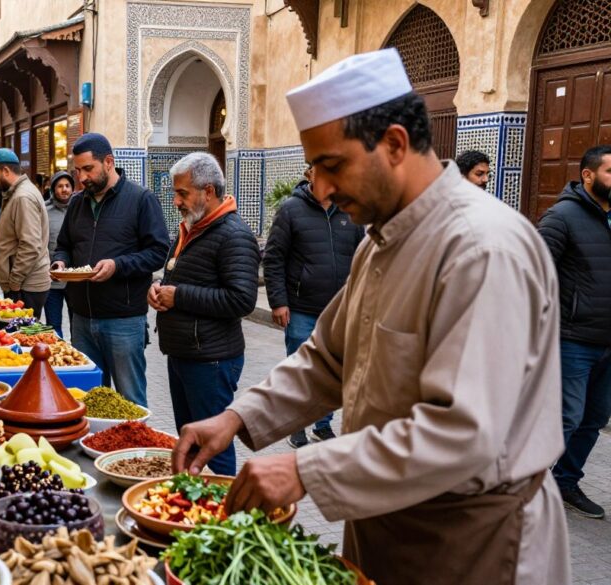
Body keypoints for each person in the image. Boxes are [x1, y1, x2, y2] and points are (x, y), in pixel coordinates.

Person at [172, 48, 569, 585]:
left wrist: (306, 468)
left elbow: (465, 433)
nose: (321, 188)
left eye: (332, 166)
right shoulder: (379, 243)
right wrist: (237, 418)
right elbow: (327, 359)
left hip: (470, 544)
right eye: (314, 169)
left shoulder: (480, 249)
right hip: (381, 520)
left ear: (395, 144)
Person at [148, 152, 259, 476]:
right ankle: (191, 500)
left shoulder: (234, 235)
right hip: (185, 353)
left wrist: (178, 296)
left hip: (211, 360)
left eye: (182, 193)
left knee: (213, 448)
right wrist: (158, 289)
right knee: (189, 440)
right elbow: (179, 275)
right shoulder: (193, 228)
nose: (176, 201)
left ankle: (222, 502)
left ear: (208, 191)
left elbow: (242, 300)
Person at [53, 133, 171, 407]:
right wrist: (60, 262)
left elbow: (158, 252)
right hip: (81, 318)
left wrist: (117, 266)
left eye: (88, 169)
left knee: (130, 401)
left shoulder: (141, 199)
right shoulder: (77, 203)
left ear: (108, 162)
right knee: (89, 400)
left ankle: (137, 438)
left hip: (123, 321)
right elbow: (64, 245)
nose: (81, 178)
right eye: (77, 170)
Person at [263, 165, 364, 448]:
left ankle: (322, 425)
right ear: (310, 174)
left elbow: (363, 257)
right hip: (301, 309)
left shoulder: (350, 210)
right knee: (300, 369)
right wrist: (279, 302)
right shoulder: (290, 210)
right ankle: (295, 426)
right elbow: (274, 258)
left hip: (339, 310)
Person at [537, 144, 611, 520]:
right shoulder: (561, 216)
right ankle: (525, 486)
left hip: (607, 342)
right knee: (566, 417)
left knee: (594, 418)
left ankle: (565, 482)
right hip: (572, 339)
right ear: (588, 175)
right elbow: (535, 274)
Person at [0, 149, 51, 314]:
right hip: (23, 283)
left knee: (23, 329)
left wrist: (14, 283)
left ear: (6, 171)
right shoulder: (18, 193)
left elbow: (30, 245)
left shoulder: (22, 197)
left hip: (25, 285)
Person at [45, 171, 74, 337]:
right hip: (53, 280)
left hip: (75, 280)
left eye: (67, 186)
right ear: (53, 189)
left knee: (77, 324)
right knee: (53, 325)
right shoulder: (44, 210)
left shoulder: (80, 208)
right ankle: (56, 352)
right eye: (60, 186)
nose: (64, 189)